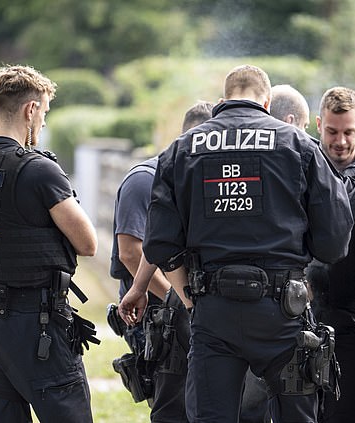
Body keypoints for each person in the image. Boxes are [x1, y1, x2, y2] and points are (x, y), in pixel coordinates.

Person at [140, 64, 355, 422]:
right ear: (267, 101)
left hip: (213, 312)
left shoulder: (181, 150)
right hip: (283, 313)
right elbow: (335, 240)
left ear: (223, 100)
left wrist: (191, 299)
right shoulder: (297, 144)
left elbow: (159, 244)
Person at [0, 65, 98, 422]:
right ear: (30, 110)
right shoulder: (38, 170)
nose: (44, 124)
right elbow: (88, 242)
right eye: (44, 112)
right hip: (34, 323)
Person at [110, 100, 214, 423]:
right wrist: (180, 300)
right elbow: (130, 252)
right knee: (174, 408)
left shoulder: (193, 181)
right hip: (160, 315)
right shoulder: (146, 179)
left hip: (188, 312)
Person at [306, 86, 355, 423]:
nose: (340, 141)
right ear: (318, 123)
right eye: (332, 131)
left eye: (349, 132)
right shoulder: (301, 161)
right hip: (303, 311)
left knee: (351, 407)